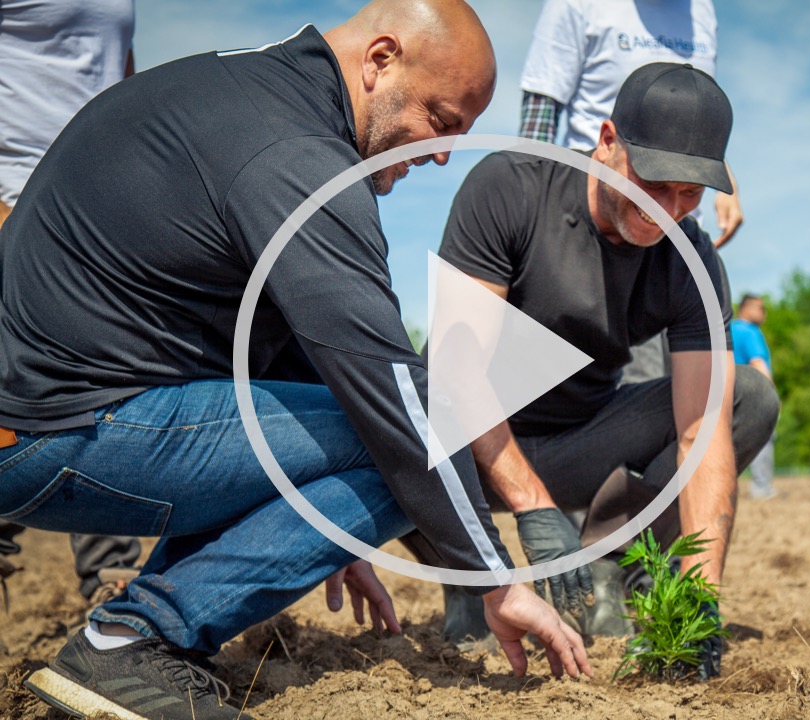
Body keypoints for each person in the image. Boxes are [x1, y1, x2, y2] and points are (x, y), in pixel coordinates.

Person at [0, 2, 591, 718]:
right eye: (442, 119)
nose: (441, 153)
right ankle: (131, 642)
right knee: (416, 428)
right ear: (381, 61)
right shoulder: (298, 154)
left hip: (53, 415)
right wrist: (497, 579)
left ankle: (135, 633)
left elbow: (307, 359)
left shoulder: (244, 93)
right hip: (55, 431)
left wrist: (330, 531)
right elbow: (391, 391)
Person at [412, 62, 778, 680]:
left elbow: (700, 430)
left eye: (690, 194)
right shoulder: (513, 187)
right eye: (654, 183)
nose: (667, 210)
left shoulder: (691, 261)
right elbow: (456, 371)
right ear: (608, 142)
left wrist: (700, 600)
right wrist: (532, 508)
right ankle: (471, 568)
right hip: (457, 455)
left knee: (747, 399)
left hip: (577, 444)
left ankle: (610, 557)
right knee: (385, 409)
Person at [518, 0, 743, 383]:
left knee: (702, 398)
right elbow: (538, 127)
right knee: (634, 384)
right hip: (608, 233)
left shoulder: (701, 11)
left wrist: (727, 185)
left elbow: (697, 118)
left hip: (678, 247)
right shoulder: (578, 5)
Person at [0, 0, 142, 605]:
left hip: (94, 201)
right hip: (13, 189)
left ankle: (110, 574)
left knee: (104, 379)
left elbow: (119, 71)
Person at [730, 295, 778, 500]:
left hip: (727, 392)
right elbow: (757, 361)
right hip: (752, 395)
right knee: (763, 437)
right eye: (761, 308)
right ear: (747, 308)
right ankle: (762, 487)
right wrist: (771, 394)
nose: (764, 313)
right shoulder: (750, 331)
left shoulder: (728, 329)